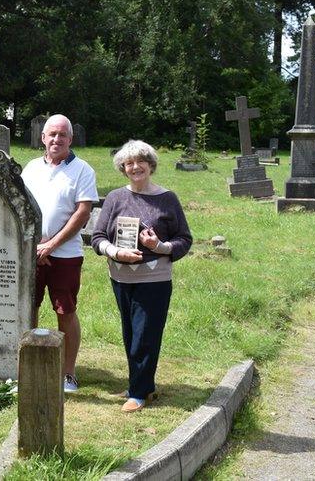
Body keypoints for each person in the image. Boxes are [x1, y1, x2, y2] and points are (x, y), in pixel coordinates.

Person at [91, 140, 191, 413]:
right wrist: (114, 252)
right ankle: (141, 383)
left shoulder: (167, 198)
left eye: (140, 162)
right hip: (121, 277)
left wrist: (158, 247)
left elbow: (185, 239)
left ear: (150, 165)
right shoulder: (114, 198)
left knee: (145, 335)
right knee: (130, 332)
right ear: (123, 168)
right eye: (129, 163)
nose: (135, 167)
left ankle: (138, 392)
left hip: (154, 278)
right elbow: (98, 237)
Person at [21, 114, 98, 393]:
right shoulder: (30, 168)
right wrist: (32, 246)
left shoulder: (82, 170)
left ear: (70, 139)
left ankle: (68, 373)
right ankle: (25, 368)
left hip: (65, 254)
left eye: (62, 135)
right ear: (42, 138)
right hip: (30, 253)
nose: (56, 139)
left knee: (65, 311)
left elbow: (83, 212)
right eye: (51, 134)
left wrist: (51, 245)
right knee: (27, 309)